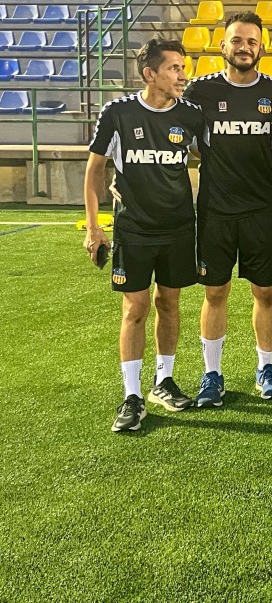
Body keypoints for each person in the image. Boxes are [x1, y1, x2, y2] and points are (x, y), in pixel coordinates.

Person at [83, 39, 206, 433]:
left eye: (183, 67)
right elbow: (94, 170)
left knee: (169, 303)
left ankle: (163, 381)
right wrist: (94, 227)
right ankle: (132, 395)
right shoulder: (118, 112)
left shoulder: (190, 115)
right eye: (174, 68)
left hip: (178, 227)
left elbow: (210, 156)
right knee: (135, 308)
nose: (182, 76)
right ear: (150, 74)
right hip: (133, 229)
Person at [183, 12, 272, 407]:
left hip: (261, 207)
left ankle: (266, 368)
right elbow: (177, 134)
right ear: (223, 46)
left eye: (251, 41)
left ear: (262, 48)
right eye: (237, 40)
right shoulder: (200, 90)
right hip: (216, 208)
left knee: (265, 290)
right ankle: (212, 374)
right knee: (215, 291)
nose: (244, 47)